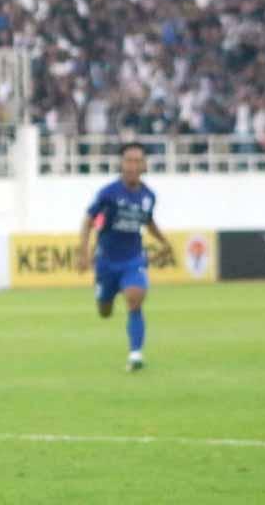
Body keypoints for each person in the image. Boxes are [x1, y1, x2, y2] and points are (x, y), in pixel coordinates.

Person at [76, 142, 174, 372]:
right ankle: (103, 295)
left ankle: (136, 354)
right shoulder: (108, 193)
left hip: (133, 259)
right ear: (121, 164)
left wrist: (164, 242)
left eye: (137, 160)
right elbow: (89, 220)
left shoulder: (149, 196)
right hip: (106, 261)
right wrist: (82, 252)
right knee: (105, 310)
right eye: (128, 160)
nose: (133, 165)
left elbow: (148, 222)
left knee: (135, 298)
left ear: (144, 165)